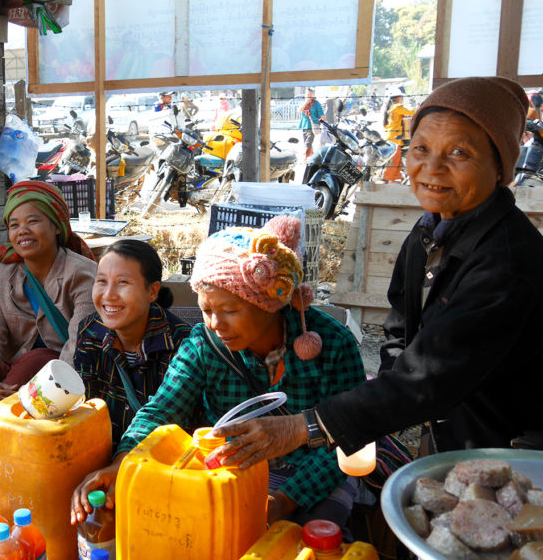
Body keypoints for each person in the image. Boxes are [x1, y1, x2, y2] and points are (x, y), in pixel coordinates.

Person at [213, 77, 543, 470]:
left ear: (501, 165)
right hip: (453, 438)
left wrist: (306, 427)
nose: (432, 167)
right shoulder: (429, 233)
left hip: (511, 455)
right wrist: (381, 409)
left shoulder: (506, 260)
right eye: (420, 148)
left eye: (459, 153)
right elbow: (399, 334)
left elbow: (431, 375)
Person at [71, 216, 365, 529]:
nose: (216, 324)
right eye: (207, 310)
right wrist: (122, 463)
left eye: (230, 311)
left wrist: (283, 501)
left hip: (314, 473)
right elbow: (160, 411)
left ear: (270, 304)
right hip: (229, 472)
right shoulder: (204, 344)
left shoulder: (333, 345)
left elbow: (351, 439)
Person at [0, 181, 96, 405]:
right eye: (14, 225)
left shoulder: (82, 273)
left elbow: (79, 343)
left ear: (57, 226)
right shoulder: (2, 275)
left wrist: (45, 395)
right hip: (17, 375)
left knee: (40, 359)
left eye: (33, 221)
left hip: (70, 380)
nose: (22, 231)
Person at [73, 240, 192, 446]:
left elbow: (171, 421)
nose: (108, 295)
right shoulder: (90, 331)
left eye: (123, 283)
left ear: (153, 291)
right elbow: (86, 408)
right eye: (101, 281)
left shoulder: (182, 345)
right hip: (100, 452)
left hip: (158, 462)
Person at [382, 89, 414, 182]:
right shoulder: (397, 107)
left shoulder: (390, 108)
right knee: (394, 165)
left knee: (391, 164)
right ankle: (390, 185)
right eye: (401, 97)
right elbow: (412, 112)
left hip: (389, 138)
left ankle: (389, 182)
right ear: (397, 98)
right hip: (395, 139)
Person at [299, 88, 324, 159]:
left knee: (308, 143)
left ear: (313, 95)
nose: (308, 96)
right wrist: (306, 103)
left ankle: (305, 158)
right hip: (304, 125)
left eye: (310, 95)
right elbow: (299, 110)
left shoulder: (316, 103)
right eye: (307, 94)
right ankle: (312, 156)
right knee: (306, 143)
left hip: (313, 126)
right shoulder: (303, 103)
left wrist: (324, 124)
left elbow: (321, 114)